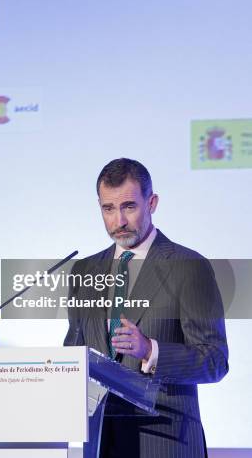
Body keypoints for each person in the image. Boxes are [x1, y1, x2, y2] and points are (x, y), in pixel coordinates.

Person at [64, 158, 228, 458]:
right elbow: (74, 352)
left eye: (129, 206)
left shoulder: (189, 267)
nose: (119, 221)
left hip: (165, 441)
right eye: (108, 209)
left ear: (151, 203)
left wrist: (151, 351)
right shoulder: (83, 270)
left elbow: (215, 361)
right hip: (101, 443)